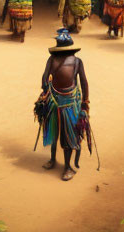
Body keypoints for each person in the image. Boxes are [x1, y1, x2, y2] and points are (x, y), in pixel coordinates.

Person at [35, 29, 91, 182]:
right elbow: (44, 78)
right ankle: (53, 159)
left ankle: (68, 166)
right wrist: (46, 91)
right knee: (53, 132)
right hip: (54, 100)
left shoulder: (76, 62)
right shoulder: (51, 59)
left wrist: (85, 103)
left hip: (70, 102)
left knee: (69, 135)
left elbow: (84, 82)